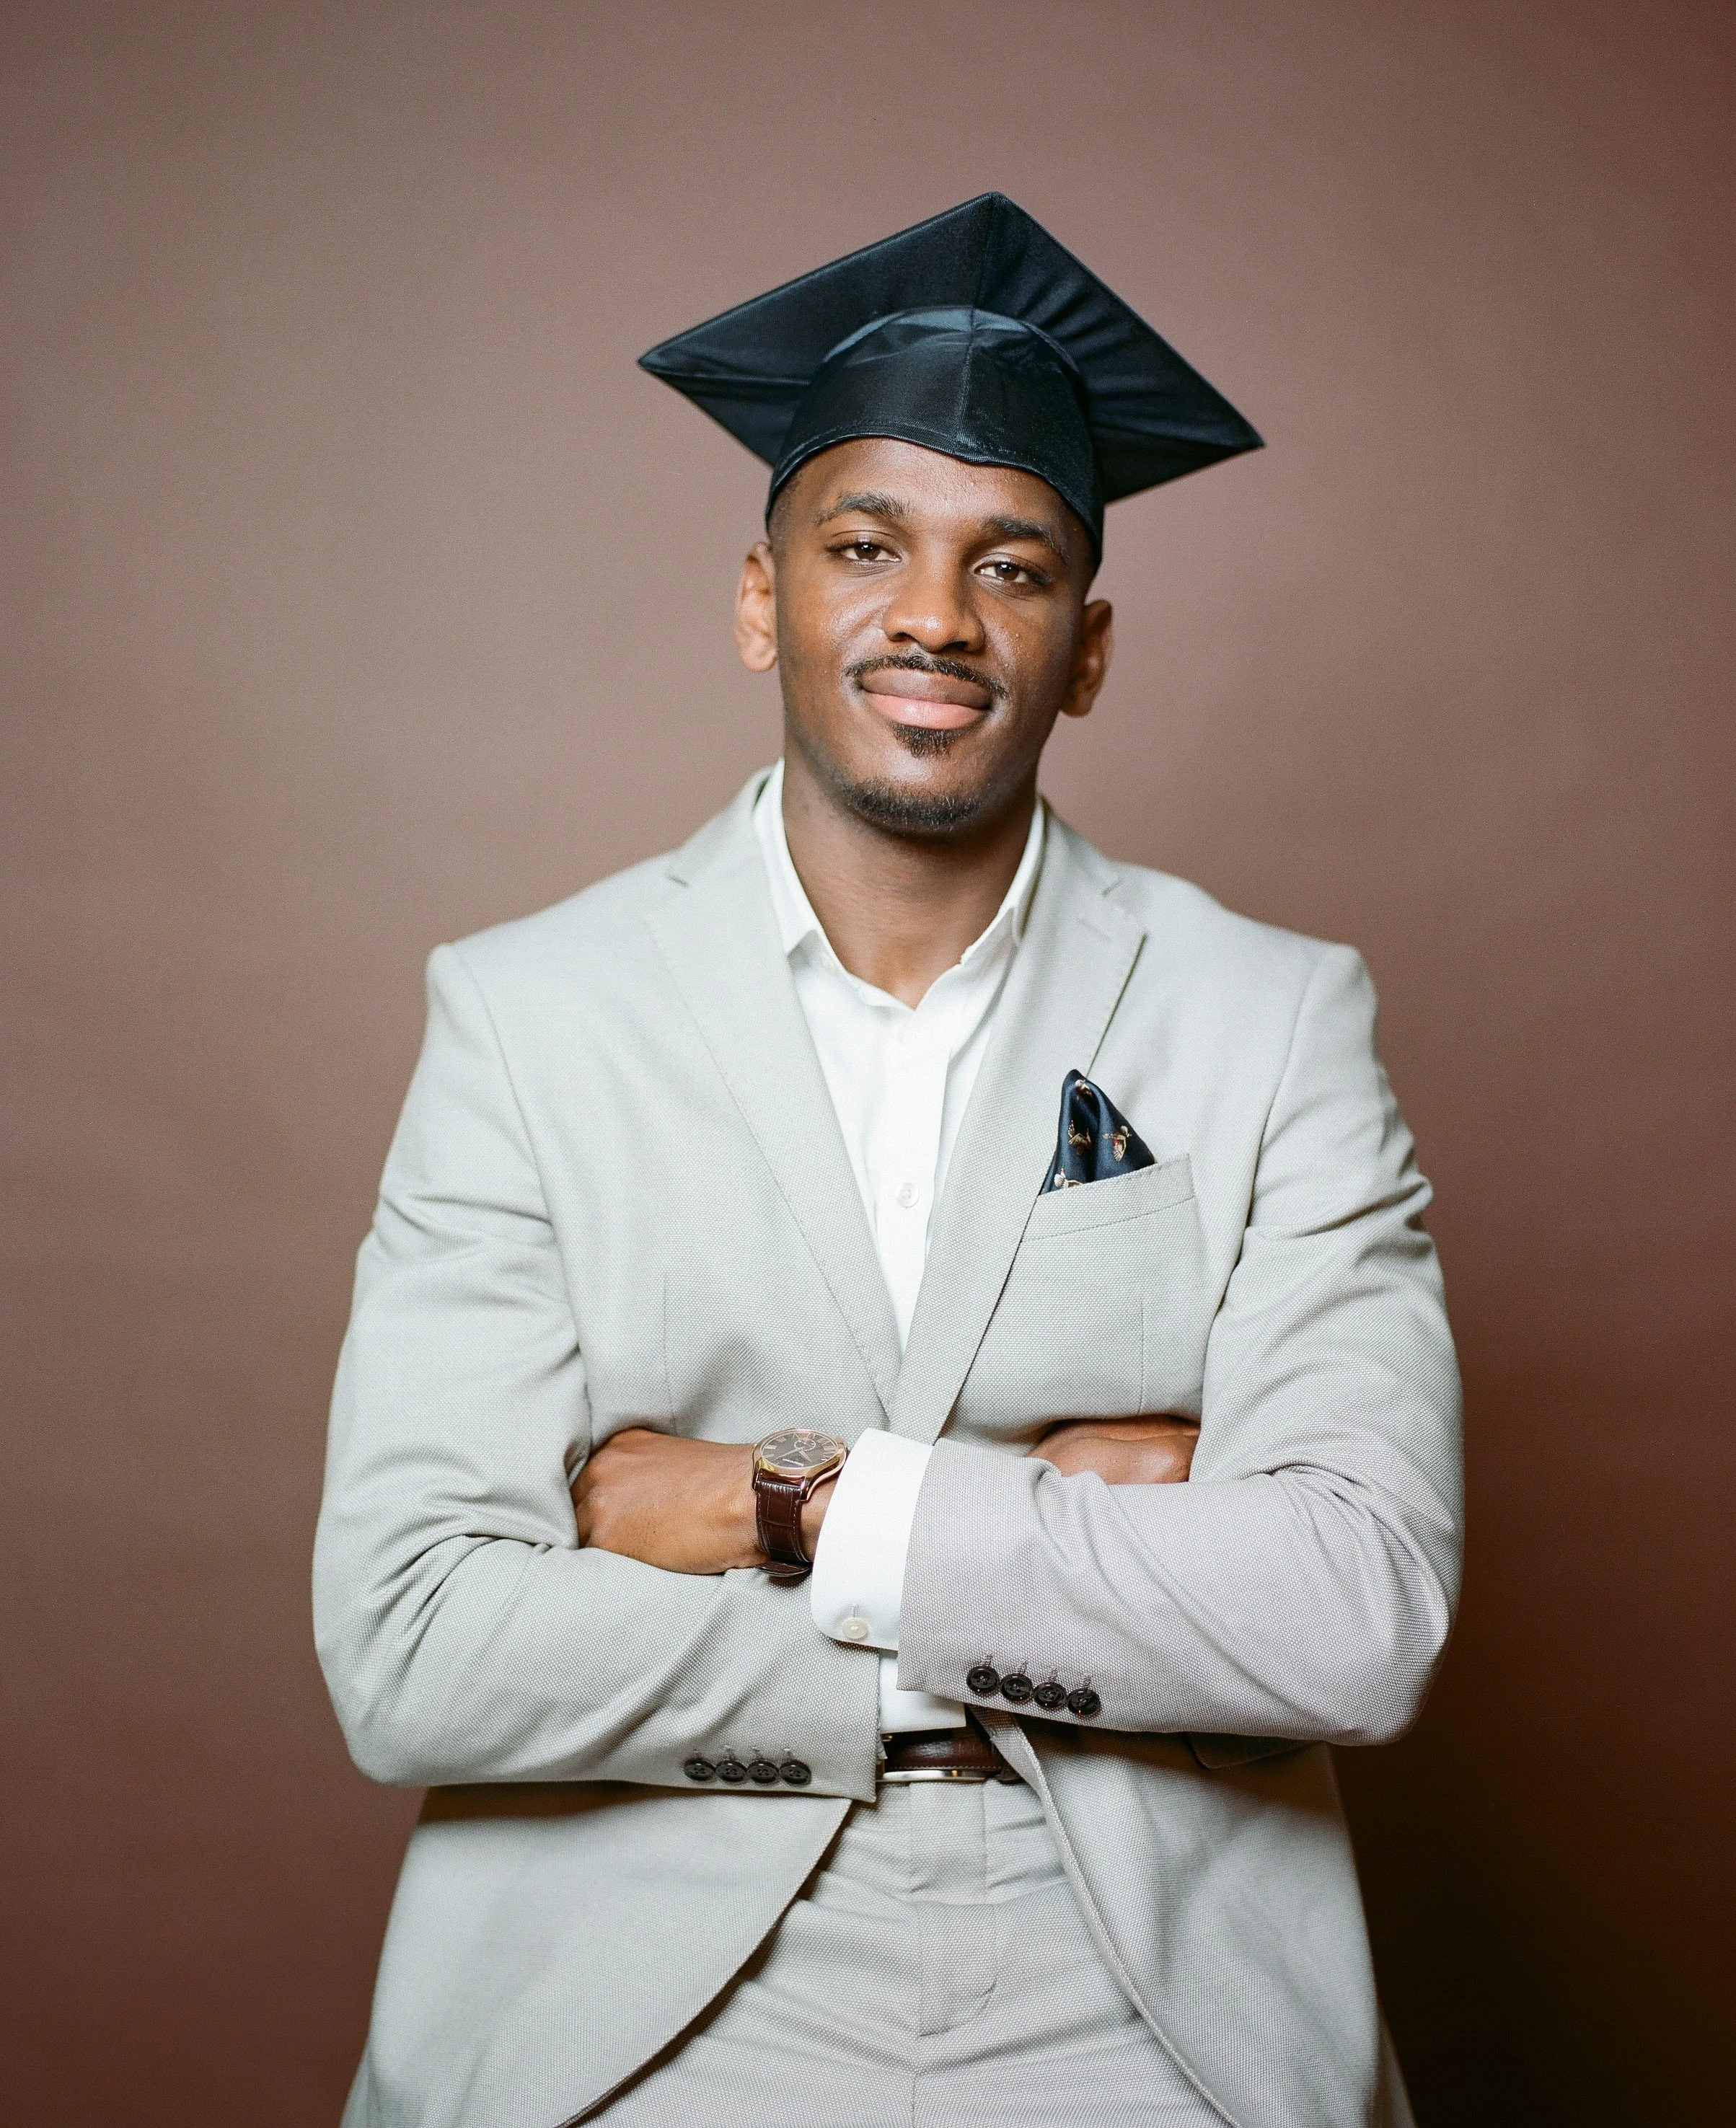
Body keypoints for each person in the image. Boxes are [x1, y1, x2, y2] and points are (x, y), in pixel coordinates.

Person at [314, 193, 1461, 2128]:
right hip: (643, 1998)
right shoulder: (527, 1015)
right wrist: (1049, 1542)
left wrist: (798, 1504)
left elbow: (1353, 1612)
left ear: (1085, 651)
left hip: (1143, 1984)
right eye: (865, 548)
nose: (935, 615)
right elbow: (411, 1639)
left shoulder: (1276, 1019)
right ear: (760, 600)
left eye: (1010, 565)